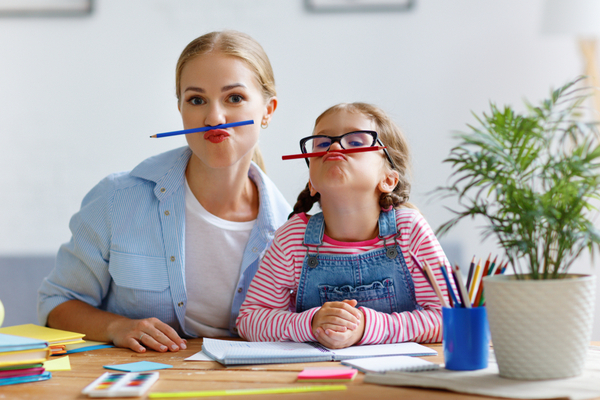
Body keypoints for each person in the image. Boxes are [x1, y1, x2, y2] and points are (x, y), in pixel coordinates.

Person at [37, 31, 291, 353]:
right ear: (181, 109)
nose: (214, 117)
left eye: (234, 98)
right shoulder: (117, 199)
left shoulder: (290, 231)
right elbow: (57, 303)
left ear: (268, 109)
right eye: (196, 100)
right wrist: (116, 327)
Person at [236, 102, 451, 349]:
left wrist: (367, 327)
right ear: (312, 184)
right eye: (322, 144)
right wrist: (310, 323)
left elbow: (451, 316)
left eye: (356, 141)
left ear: (388, 179)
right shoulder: (292, 238)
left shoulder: (409, 231)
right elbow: (249, 319)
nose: (336, 146)